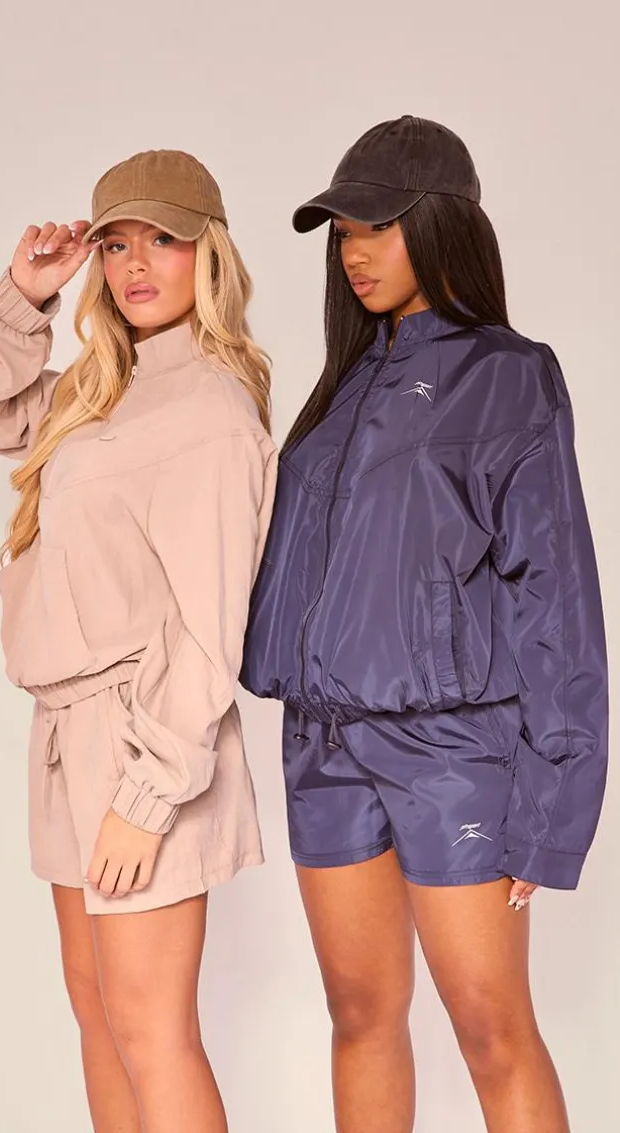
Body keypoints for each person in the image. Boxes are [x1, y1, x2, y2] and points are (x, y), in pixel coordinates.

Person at [241, 116, 608, 1133]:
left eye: (378, 226)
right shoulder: (342, 386)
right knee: (359, 1015)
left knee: (491, 1027)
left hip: (452, 751)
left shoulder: (507, 374)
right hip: (322, 745)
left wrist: (555, 799)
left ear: (441, 225)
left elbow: (555, 593)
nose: (353, 252)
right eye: (342, 232)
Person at [0, 149, 277, 1133]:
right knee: (100, 1019)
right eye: (116, 244)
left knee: (151, 1029)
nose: (135, 264)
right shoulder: (100, 386)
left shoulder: (210, 407)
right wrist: (22, 297)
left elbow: (211, 625)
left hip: (143, 739)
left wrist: (148, 790)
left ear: (208, 253)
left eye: (162, 239)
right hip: (67, 734)